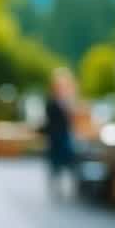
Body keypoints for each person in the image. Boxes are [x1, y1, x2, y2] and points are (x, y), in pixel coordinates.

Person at [44, 67, 78, 198]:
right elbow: (50, 120)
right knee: (56, 164)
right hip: (56, 137)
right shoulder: (52, 101)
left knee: (67, 161)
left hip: (64, 135)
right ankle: (56, 186)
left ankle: (67, 186)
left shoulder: (67, 100)